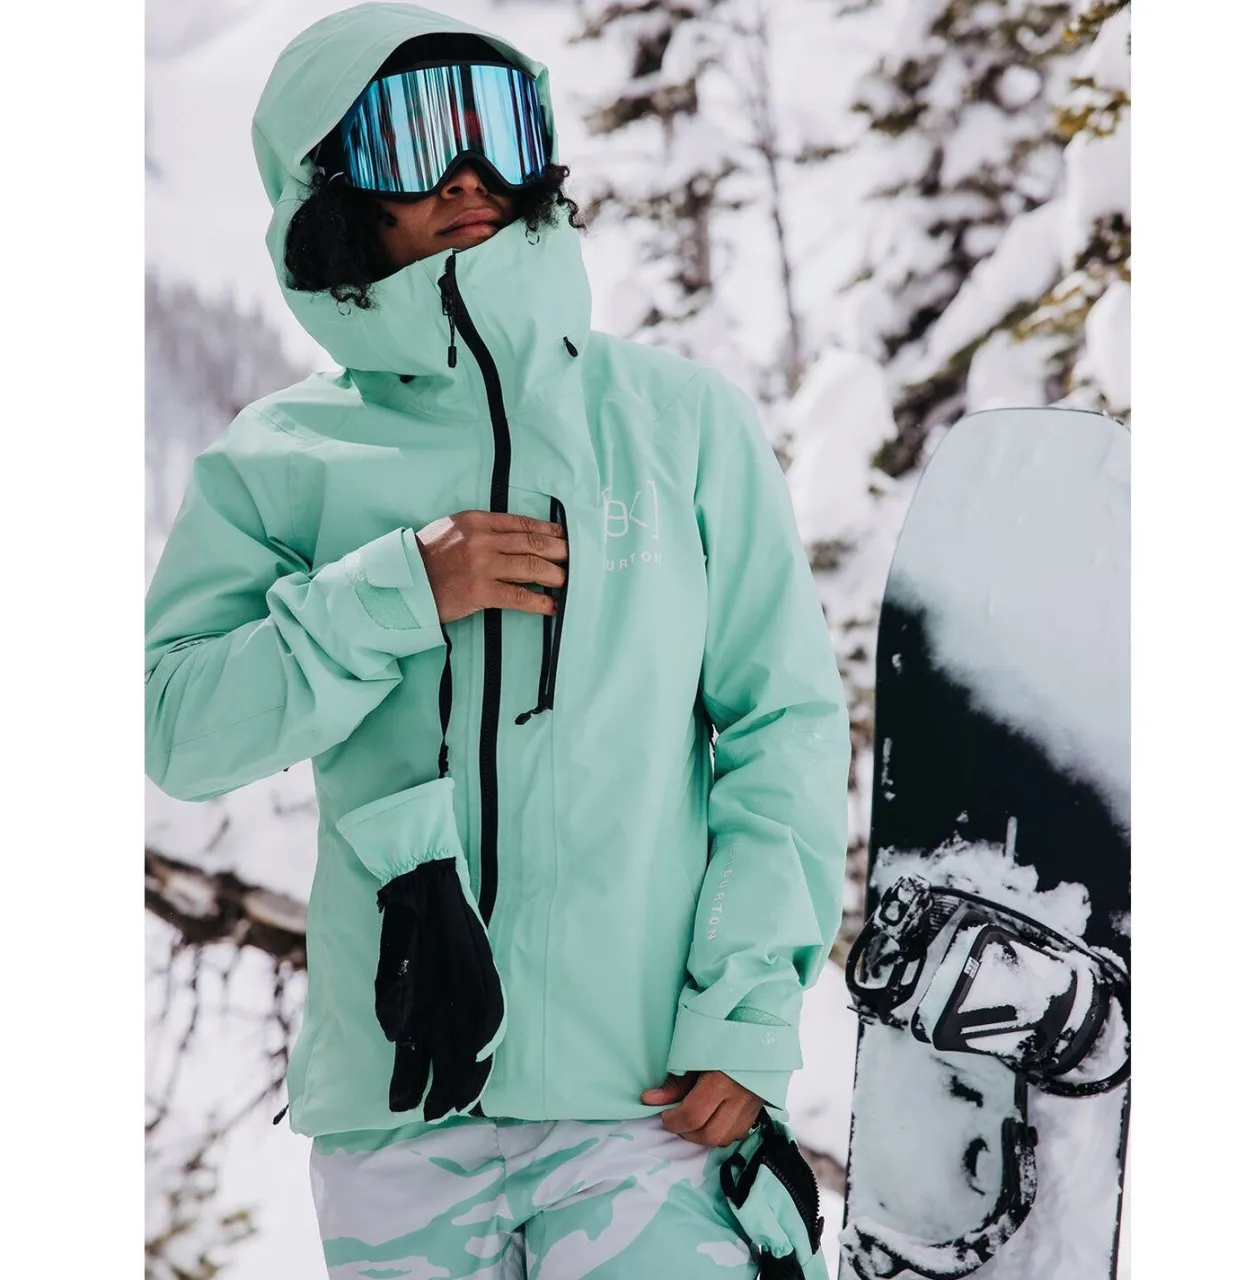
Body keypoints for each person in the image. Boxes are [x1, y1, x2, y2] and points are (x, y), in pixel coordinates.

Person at [145, 4, 849, 1277]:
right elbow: (179, 728)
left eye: (496, 127)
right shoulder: (279, 461)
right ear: (335, 186)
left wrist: (746, 1011)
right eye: (415, 135)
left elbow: (780, 725)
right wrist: (390, 594)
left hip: (649, 1099)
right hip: (400, 1117)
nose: (467, 172)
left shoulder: (678, 423)